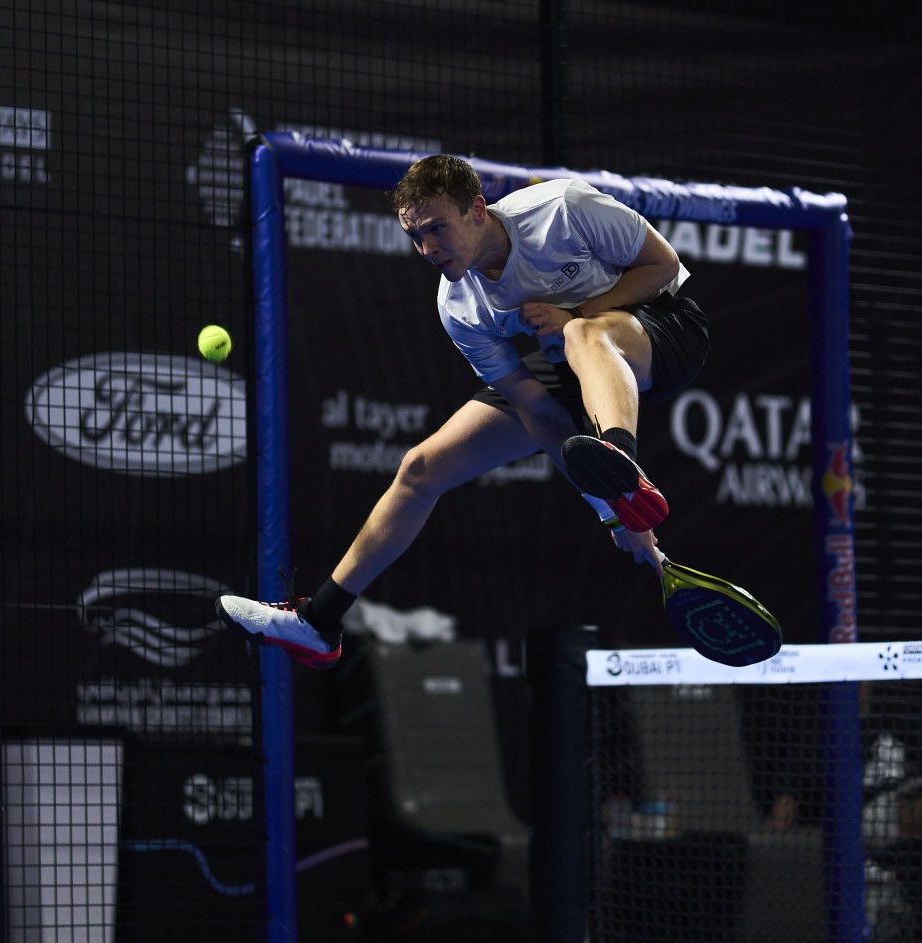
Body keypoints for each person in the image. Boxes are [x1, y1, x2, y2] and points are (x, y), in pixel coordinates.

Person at [216, 154, 708, 668]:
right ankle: (320, 621)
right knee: (420, 469)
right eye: (414, 236)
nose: (427, 248)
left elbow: (663, 265)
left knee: (585, 334)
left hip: (659, 330)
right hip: (568, 360)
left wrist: (578, 315)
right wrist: (612, 510)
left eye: (436, 229)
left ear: (476, 210)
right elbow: (540, 415)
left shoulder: (563, 207)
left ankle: (622, 461)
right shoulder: (458, 305)